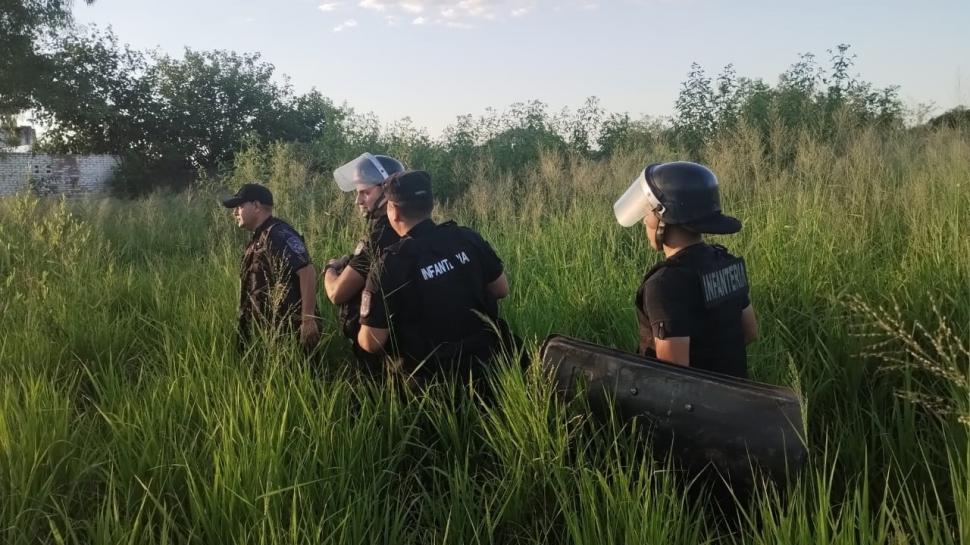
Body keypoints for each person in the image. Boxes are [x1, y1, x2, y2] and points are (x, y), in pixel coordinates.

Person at [356, 170, 511, 383]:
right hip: (487, 367)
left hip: (429, 384)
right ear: (431, 205)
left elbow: (371, 342)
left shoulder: (390, 263)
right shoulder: (467, 238)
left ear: (394, 211)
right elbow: (501, 289)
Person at [613, 161, 758, 378]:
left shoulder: (663, 285)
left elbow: (674, 376)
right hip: (735, 397)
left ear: (665, 217)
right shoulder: (724, 260)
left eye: (649, 211)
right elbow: (750, 332)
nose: (644, 220)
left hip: (694, 408)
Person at [322, 153, 405, 374]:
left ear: (387, 192)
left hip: (382, 347)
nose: (358, 200)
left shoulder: (380, 235)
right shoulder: (408, 225)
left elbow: (336, 293)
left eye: (365, 192)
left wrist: (329, 269)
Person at [222, 182, 320, 351]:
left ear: (256, 205)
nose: (234, 212)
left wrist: (308, 320)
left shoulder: (278, 234)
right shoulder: (258, 237)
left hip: (288, 333)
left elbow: (307, 271)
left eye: (239, 206)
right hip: (265, 333)